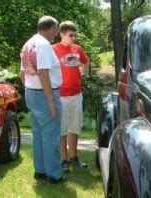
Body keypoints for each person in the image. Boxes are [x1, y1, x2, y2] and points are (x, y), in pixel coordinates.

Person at [19, 16, 64, 183]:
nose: (57, 33)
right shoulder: (44, 45)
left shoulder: (28, 44)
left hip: (31, 93)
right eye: (56, 29)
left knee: (38, 134)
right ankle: (53, 175)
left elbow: (22, 73)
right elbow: (44, 73)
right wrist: (51, 101)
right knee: (51, 136)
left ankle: (40, 171)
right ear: (51, 28)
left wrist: (29, 90)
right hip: (45, 95)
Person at [53, 21, 89, 172]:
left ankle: (73, 158)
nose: (73, 38)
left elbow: (86, 62)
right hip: (61, 95)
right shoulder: (53, 49)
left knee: (74, 127)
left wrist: (83, 72)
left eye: (75, 35)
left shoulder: (77, 48)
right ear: (61, 34)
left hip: (77, 94)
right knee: (62, 129)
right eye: (70, 35)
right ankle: (63, 160)